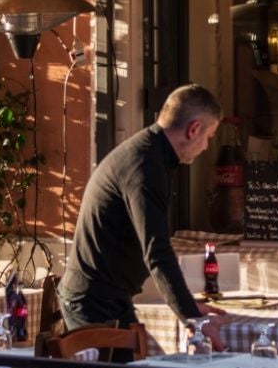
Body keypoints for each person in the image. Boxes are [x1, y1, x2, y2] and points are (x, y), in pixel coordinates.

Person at [57, 84, 224, 333]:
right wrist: (191, 317)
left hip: (107, 297)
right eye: (209, 137)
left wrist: (190, 307)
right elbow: (157, 251)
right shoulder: (145, 166)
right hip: (93, 302)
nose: (206, 147)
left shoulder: (150, 154)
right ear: (194, 129)